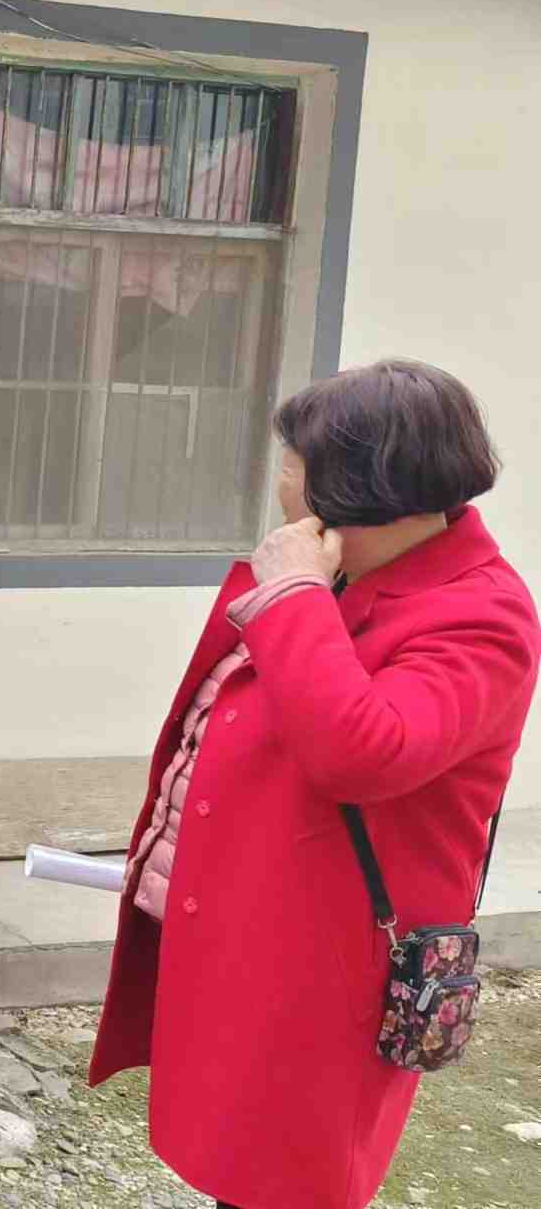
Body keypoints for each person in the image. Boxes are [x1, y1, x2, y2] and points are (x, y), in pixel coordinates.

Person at [91, 360, 537, 1209]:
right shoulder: (344, 569)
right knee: (237, 1159)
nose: (281, 480)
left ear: (351, 486)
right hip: (256, 921)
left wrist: (293, 594)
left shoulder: (478, 614)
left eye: (292, 461)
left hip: (330, 962)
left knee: (288, 1176)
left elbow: (362, 752)